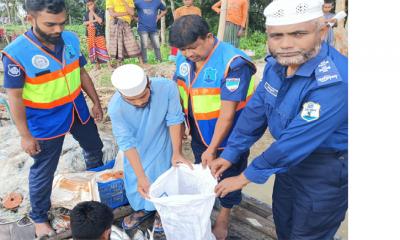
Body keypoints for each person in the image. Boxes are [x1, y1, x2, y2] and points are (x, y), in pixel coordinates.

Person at [211, 0, 348, 239]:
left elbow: (295, 141)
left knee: (308, 233)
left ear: (322, 31)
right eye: (277, 36)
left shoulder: (335, 81)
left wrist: (244, 177)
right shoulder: (277, 65)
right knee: (283, 222)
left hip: (323, 170)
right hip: (286, 165)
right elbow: (255, 112)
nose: (286, 44)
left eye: (299, 34)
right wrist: (230, 153)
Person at [1, 0, 105, 237]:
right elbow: (14, 97)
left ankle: (95, 188)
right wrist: (25, 136)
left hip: (77, 109)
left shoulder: (70, 39)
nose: (58, 29)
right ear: (30, 19)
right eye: (50, 24)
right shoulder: (16, 54)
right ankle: (39, 217)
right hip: (45, 120)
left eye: (62, 23)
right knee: (44, 169)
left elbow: (81, 72)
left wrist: (95, 102)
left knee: (94, 148)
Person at [169, 15, 256, 240]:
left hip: (230, 138)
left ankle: (225, 214)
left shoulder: (234, 63)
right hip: (200, 131)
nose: (189, 54)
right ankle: (208, 203)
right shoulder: (184, 57)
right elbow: (179, 91)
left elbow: (227, 115)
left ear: (209, 37)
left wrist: (213, 147)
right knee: (206, 171)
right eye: (183, 49)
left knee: (230, 174)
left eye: (193, 47)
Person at [108, 64, 191, 234]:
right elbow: (126, 142)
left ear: (149, 84)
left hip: (162, 139)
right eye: (132, 100)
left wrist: (177, 152)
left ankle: (163, 211)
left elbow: (175, 119)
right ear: (121, 95)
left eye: (143, 96)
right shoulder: (115, 107)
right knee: (137, 181)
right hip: (136, 147)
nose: (139, 102)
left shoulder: (167, 87)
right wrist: (140, 176)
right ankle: (144, 209)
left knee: (164, 173)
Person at [106, 0, 143, 66]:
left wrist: (123, 1)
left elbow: (132, 13)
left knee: (133, 43)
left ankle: (142, 63)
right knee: (117, 45)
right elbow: (112, 14)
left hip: (126, 23)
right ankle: (119, 65)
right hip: (115, 23)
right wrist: (126, 13)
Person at [83, 0, 111, 70]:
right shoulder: (86, 14)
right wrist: (94, 20)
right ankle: (97, 66)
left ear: (94, 3)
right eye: (88, 5)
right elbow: (84, 23)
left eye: (91, 4)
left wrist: (92, 12)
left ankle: (109, 66)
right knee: (92, 50)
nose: (90, 6)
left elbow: (100, 21)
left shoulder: (100, 11)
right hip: (89, 34)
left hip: (99, 33)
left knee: (103, 49)